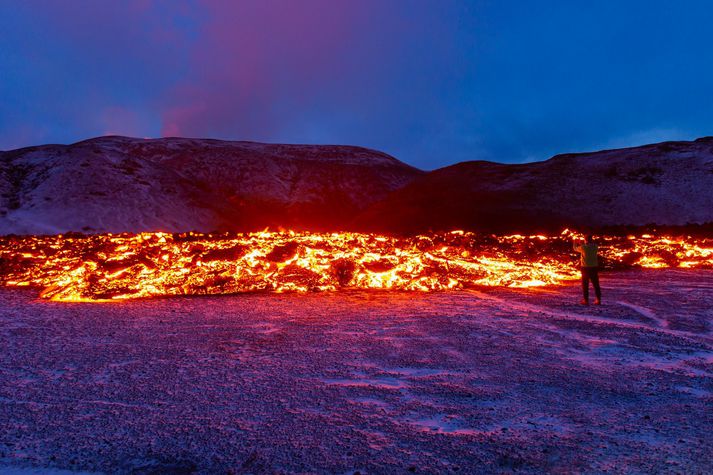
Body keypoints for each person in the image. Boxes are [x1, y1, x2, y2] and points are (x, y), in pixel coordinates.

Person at [573, 234, 601, 305]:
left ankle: (586, 300)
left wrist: (575, 242)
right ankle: (598, 300)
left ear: (585, 240)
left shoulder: (583, 247)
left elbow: (575, 248)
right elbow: (588, 246)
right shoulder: (595, 247)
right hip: (594, 268)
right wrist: (583, 243)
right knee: (596, 284)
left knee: (585, 285)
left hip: (585, 268)